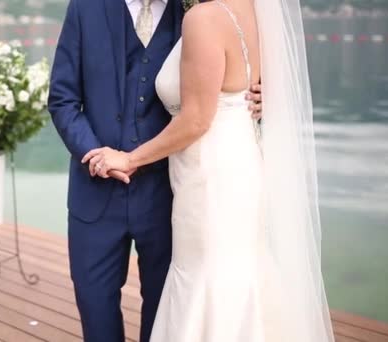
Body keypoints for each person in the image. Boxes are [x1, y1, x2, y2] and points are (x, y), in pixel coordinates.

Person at [82, 0, 335, 341]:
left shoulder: (203, 18)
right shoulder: (256, 12)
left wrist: (128, 159)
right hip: (242, 163)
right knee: (239, 275)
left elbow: (196, 120)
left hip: (210, 176)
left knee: (207, 278)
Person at [48, 0, 262, 341]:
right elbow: (62, 98)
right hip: (95, 194)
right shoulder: (85, 7)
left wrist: (262, 93)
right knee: (95, 312)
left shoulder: (195, 12)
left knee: (168, 317)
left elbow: (228, 79)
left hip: (170, 197)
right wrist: (93, 154)